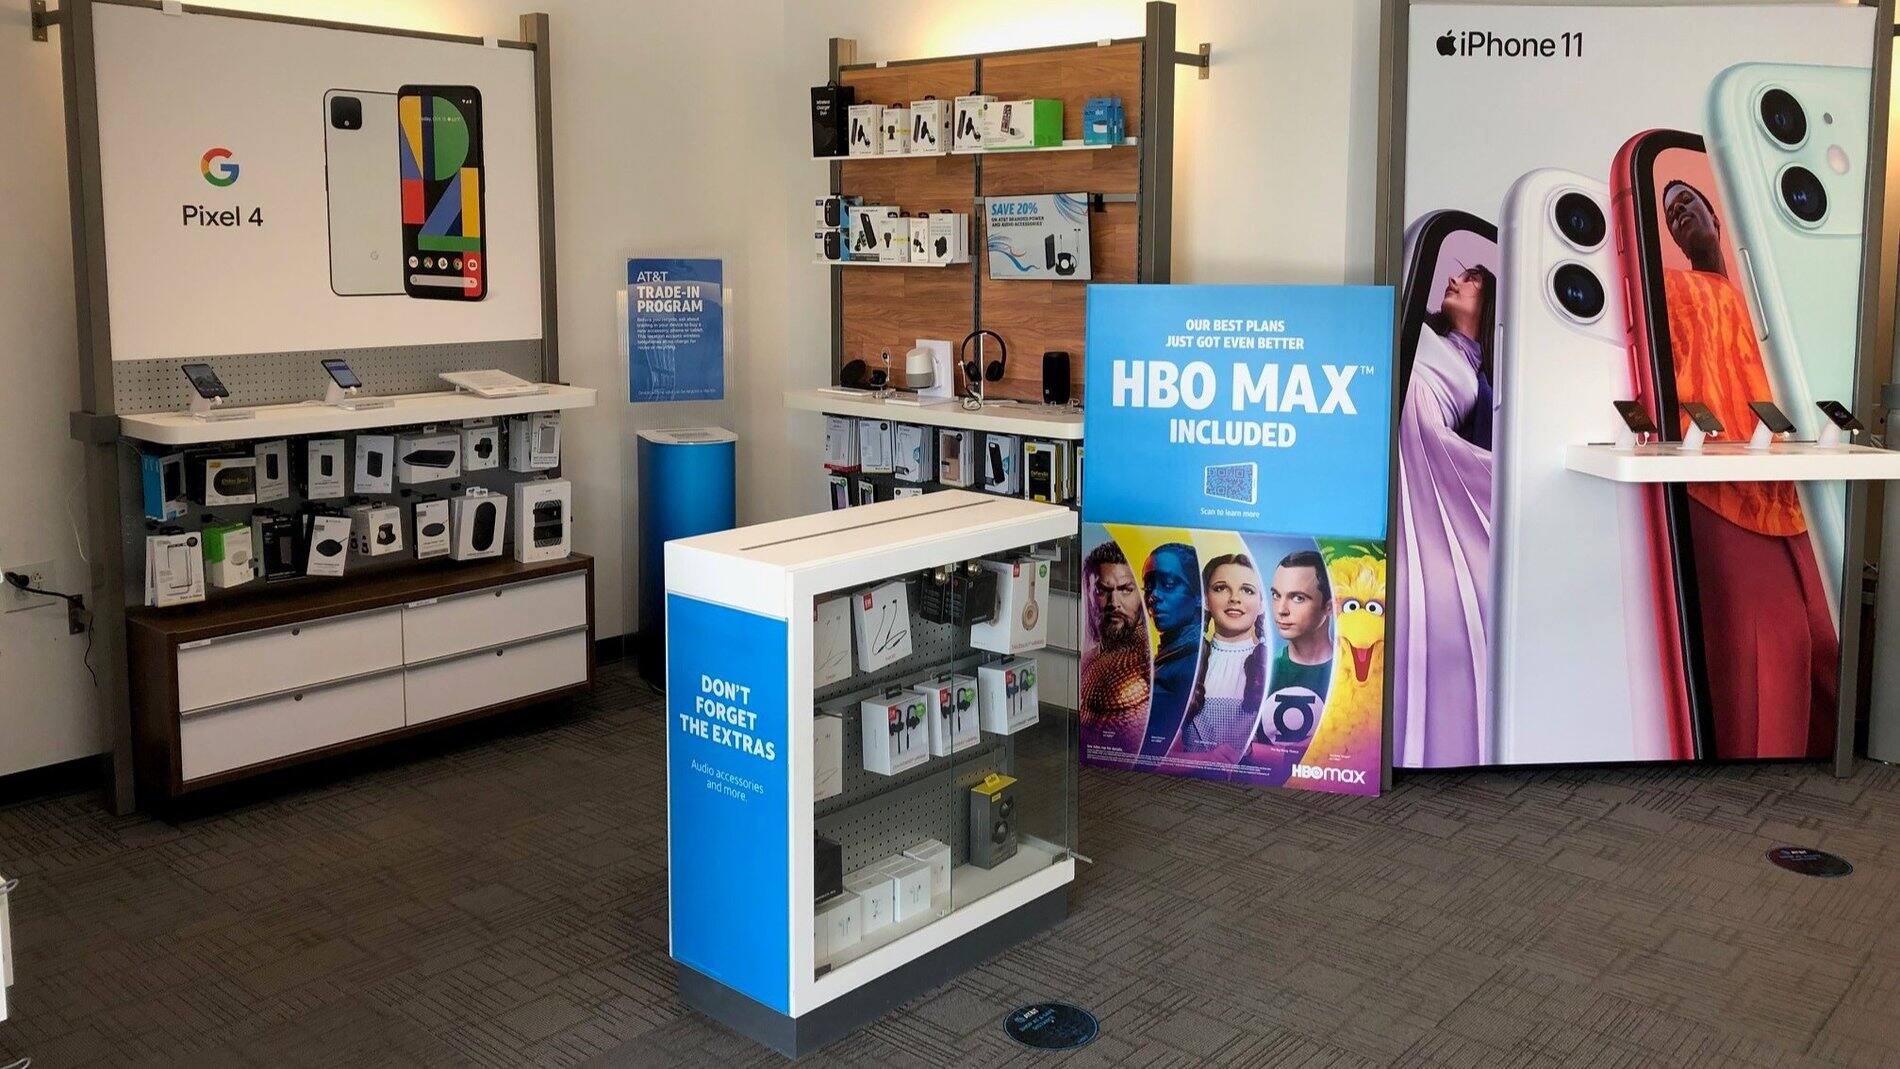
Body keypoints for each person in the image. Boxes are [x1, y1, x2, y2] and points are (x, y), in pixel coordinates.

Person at [1660, 178, 1838, 758]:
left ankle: (1822, 760)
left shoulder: (1763, 302)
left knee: (1825, 639)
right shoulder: (1673, 287)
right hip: (1718, 486)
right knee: (1769, 648)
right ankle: (1757, 775)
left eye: (1687, 203)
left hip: (1787, 487)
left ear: (1715, 216)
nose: (1679, 214)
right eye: (1670, 213)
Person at [1393, 261, 1496, 766]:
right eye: (1458, 275)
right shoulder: (1417, 326)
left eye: (1472, 279)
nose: (1455, 280)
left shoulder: (1484, 381)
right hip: (1400, 445)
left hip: (1430, 454)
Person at [1177, 554, 1269, 754]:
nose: (1234, 598)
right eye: (1220, 588)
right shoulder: (1184, 662)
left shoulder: (1274, 666)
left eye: (1247, 590)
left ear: (1262, 604)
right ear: (1206, 600)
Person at [1078, 539, 1153, 760]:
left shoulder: (1152, 664)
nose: (1114, 602)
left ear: (1142, 595)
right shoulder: (1089, 658)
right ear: (1090, 594)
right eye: (1103, 590)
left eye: (1126, 590)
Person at [1134, 542, 1201, 768]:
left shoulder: (1190, 661)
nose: (1153, 596)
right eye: (1148, 586)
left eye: (1169, 584)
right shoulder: (1173, 655)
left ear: (1199, 595)